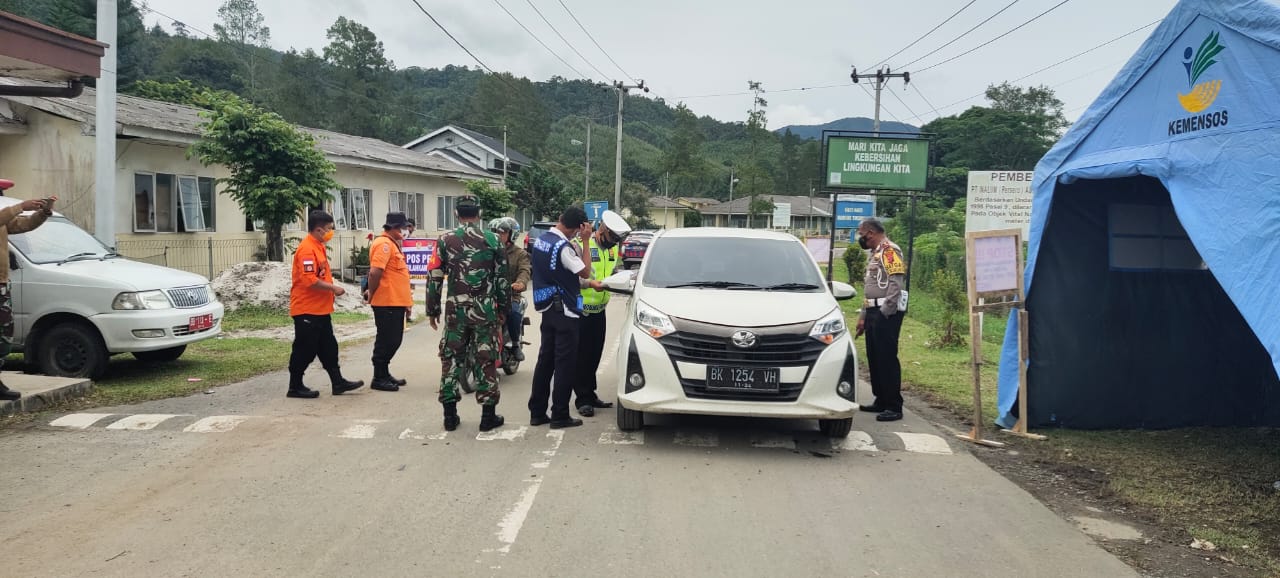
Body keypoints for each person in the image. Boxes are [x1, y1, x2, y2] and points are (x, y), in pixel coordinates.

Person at [426, 196, 510, 432]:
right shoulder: (493, 239)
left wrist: (432, 309)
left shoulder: (444, 240)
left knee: (451, 360)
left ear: (456, 214)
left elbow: (434, 276)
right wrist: (504, 309)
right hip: (485, 312)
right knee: (486, 359)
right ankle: (487, 417)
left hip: (456, 312)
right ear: (479, 213)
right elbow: (502, 279)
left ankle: (449, 416)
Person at [528, 206, 603, 429]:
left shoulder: (542, 240)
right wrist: (586, 242)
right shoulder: (564, 248)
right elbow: (585, 271)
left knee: (545, 361)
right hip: (565, 310)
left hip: (547, 307)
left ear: (560, 218)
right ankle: (560, 414)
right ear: (578, 228)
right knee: (565, 364)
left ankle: (537, 411)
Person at [287, 210, 364, 399]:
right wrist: (333, 288)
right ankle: (295, 386)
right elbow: (310, 281)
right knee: (305, 349)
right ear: (319, 229)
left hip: (320, 310)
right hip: (307, 309)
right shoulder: (307, 249)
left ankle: (338, 382)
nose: (331, 232)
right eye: (329, 229)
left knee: (329, 348)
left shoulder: (318, 246)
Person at [573, 210, 631, 417]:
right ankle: (582, 399)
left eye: (617, 240)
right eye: (612, 237)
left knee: (594, 354)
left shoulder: (612, 250)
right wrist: (590, 284)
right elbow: (573, 276)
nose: (614, 243)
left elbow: (611, 272)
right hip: (581, 309)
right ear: (602, 229)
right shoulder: (580, 246)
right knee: (582, 356)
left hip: (599, 309)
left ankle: (590, 393)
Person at [0, 184, 54, 402]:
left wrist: (43, 212)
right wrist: (21, 205)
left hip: (2, 283)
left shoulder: (3, 217)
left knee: (4, 336)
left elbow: (22, 224)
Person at [853, 218, 907, 422]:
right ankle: (881, 399)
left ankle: (894, 405)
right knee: (874, 357)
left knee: (886, 357)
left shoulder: (889, 251)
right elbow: (870, 289)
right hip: (872, 310)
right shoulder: (875, 253)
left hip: (886, 312)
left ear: (871, 233)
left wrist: (885, 311)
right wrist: (863, 316)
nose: (860, 237)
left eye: (861, 234)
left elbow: (896, 282)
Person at [364, 211, 413, 392]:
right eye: (404, 227)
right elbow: (375, 272)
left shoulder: (392, 244)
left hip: (395, 301)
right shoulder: (383, 244)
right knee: (387, 340)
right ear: (394, 227)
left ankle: (384, 373)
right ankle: (378, 377)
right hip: (386, 302)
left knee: (394, 340)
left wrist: (406, 302)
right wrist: (372, 292)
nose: (406, 231)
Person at [489, 217, 531, 362]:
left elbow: (525, 270)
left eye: (503, 232)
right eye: (495, 232)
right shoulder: (486, 251)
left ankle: (515, 344)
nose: (498, 235)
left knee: (513, 312)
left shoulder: (520, 254)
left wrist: (520, 283)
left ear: (511, 234)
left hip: (510, 295)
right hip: (488, 295)